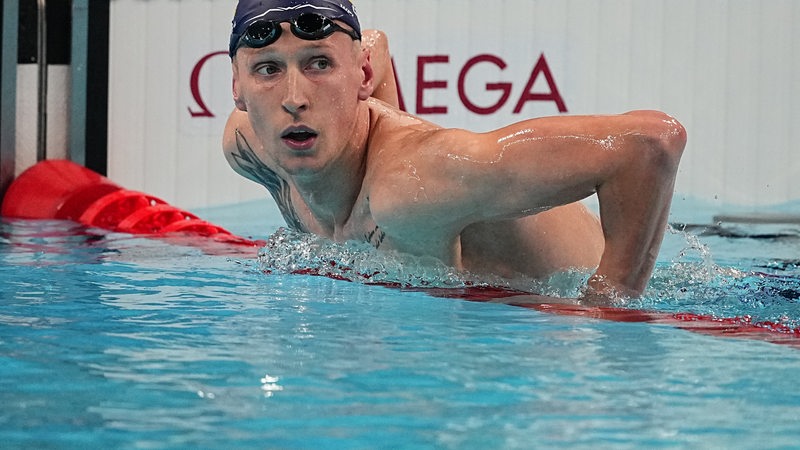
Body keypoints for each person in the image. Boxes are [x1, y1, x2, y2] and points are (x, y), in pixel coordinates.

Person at [222, 0, 686, 303]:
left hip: (581, 306)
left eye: (319, 63)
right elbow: (376, 45)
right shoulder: (249, 147)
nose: (293, 98)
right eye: (268, 69)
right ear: (238, 88)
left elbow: (648, 144)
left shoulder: (416, 185)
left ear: (362, 76)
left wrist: (609, 306)